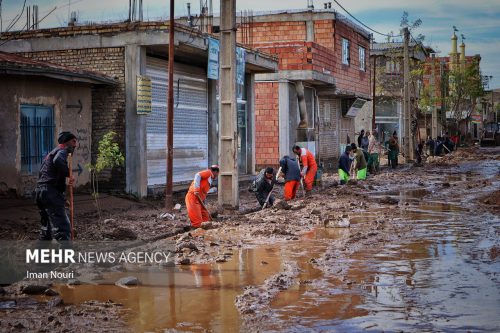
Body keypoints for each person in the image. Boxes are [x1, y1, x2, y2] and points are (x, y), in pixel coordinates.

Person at [35, 131, 77, 241]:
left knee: (46, 229)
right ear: (66, 142)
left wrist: (61, 198)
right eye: (74, 141)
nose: (75, 145)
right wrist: (69, 174)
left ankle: (42, 255)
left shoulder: (52, 152)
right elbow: (58, 161)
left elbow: (47, 176)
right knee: (63, 229)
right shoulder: (62, 150)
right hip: (49, 192)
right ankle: (65, 256)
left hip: (40, 192)